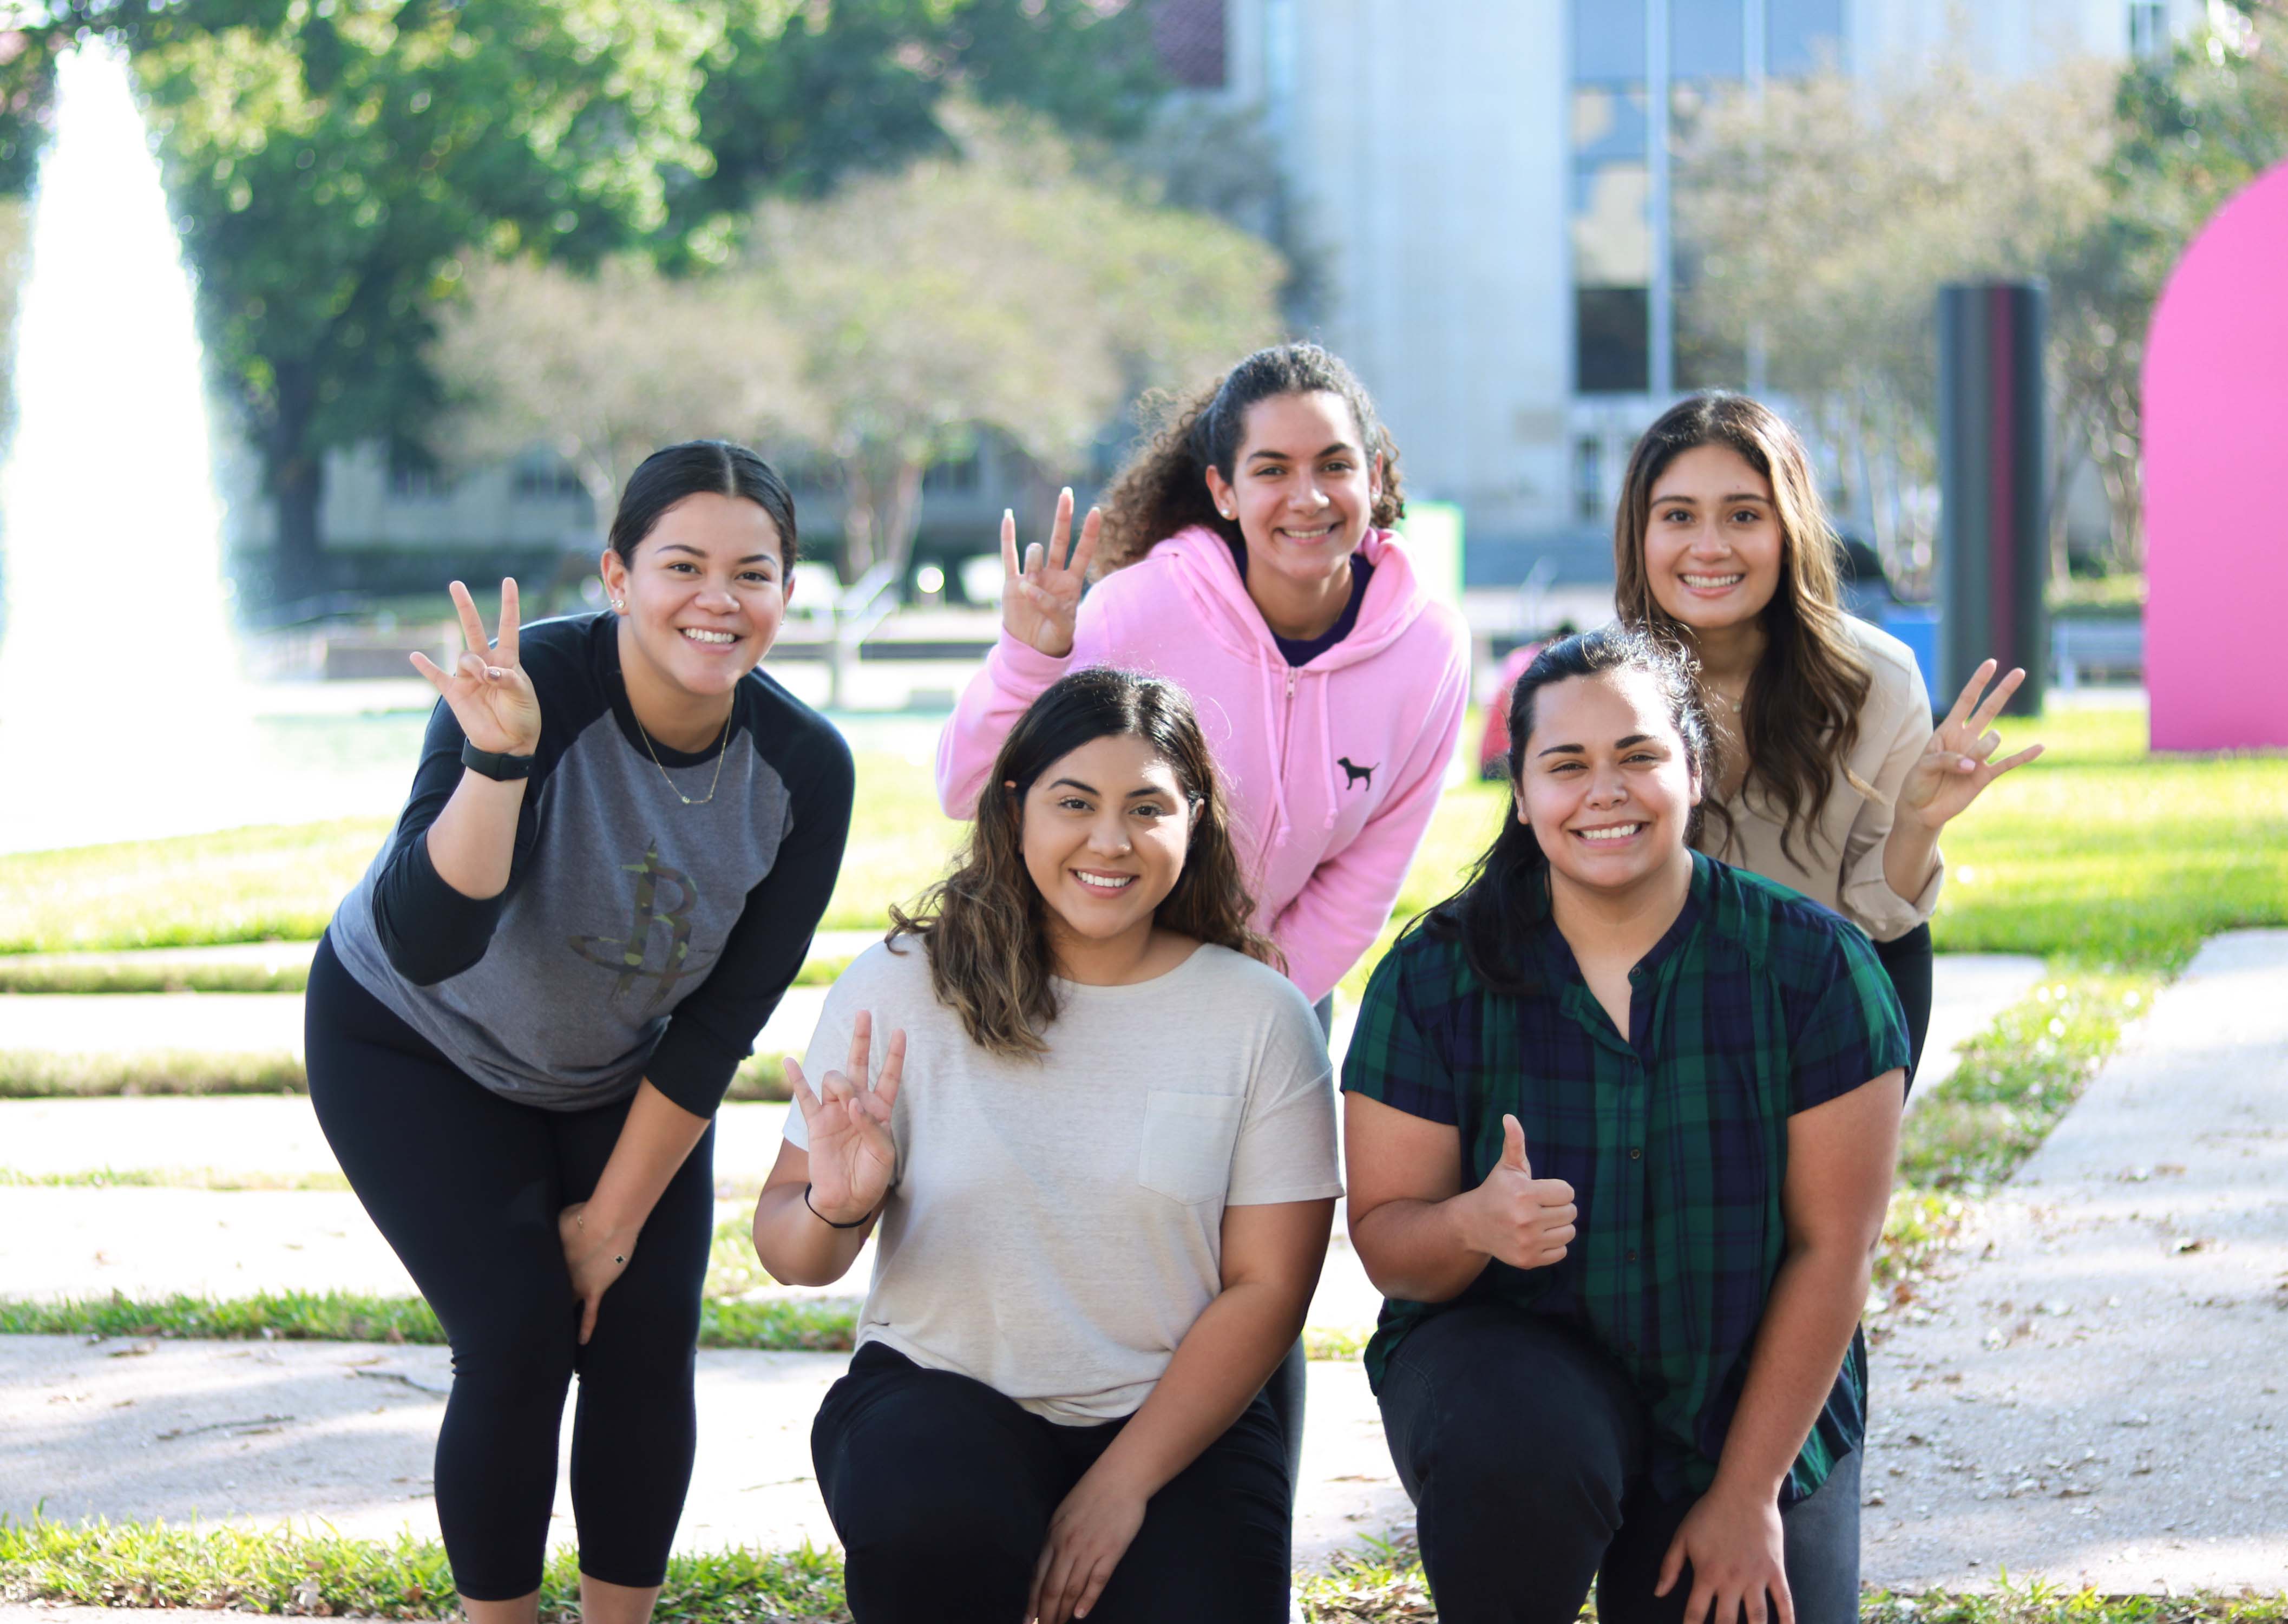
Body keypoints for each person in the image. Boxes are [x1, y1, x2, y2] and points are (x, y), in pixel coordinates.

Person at [307, 441, 854, 1624]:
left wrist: (613, 1223)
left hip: (620, 1066)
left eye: (751, 573)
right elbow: (428, 940)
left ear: (787, 595)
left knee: (647, 1337)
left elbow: (721, 1021)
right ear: (616, 574)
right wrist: (498, 764)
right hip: (413, 1043)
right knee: (516, 1337)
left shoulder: (806, 769)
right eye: (682, 565)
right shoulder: (527, 685)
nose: (718, 600)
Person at [934, 342, 1470, 1485]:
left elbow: (1371, 867)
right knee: (1105, 1255)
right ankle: (1044, 1504)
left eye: (1334, 464)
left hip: (1274, 999)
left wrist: (1244, 1006)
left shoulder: (1429, 644)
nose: (1306, 497)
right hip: (1088, 984)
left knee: (1259, 1270)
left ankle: (1233, 1539)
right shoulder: (1135, 610)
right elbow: (967, 787)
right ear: (1221, 491)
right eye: (1269, 469)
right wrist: (1029, 657)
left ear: (1376, 476)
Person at [1343, 628, 1909, 1624]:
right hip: (1514, 1388)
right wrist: (1472, 1226)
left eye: (1638, 756)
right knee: (1517, 1456)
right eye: (1564, 766)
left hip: (1745, 1389)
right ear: (1521, 795)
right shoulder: (1434, 974)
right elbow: (1390, 1244)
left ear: (1693, 770)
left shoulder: (1815, 970)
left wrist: (1746, 1498)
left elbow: (1835, 1248)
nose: (1603, 791)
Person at [758, 668, 1341, 1624]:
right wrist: (839, 1202)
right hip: (940, 1397)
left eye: (1146, 807)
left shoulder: (1258, 1017)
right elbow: (792, 1254)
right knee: (935, 1525)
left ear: (1193, 820)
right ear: (1015, 807)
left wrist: (1122, 1485)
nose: (1108, 841)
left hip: (1169, 1419)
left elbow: (1268, 1289)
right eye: (1075, 803)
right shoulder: (903, 985)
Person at [1613, 391, 2042, 1073]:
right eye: (1678, 517)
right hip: (1635, 1016)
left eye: (1744, 516)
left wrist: (1916, 824)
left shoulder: (1879, 679)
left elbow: (1882, 922)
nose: (1710, 546)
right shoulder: (1593, 689)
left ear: (1791, 530)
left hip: (1820, 1009)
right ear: (1641, 533)